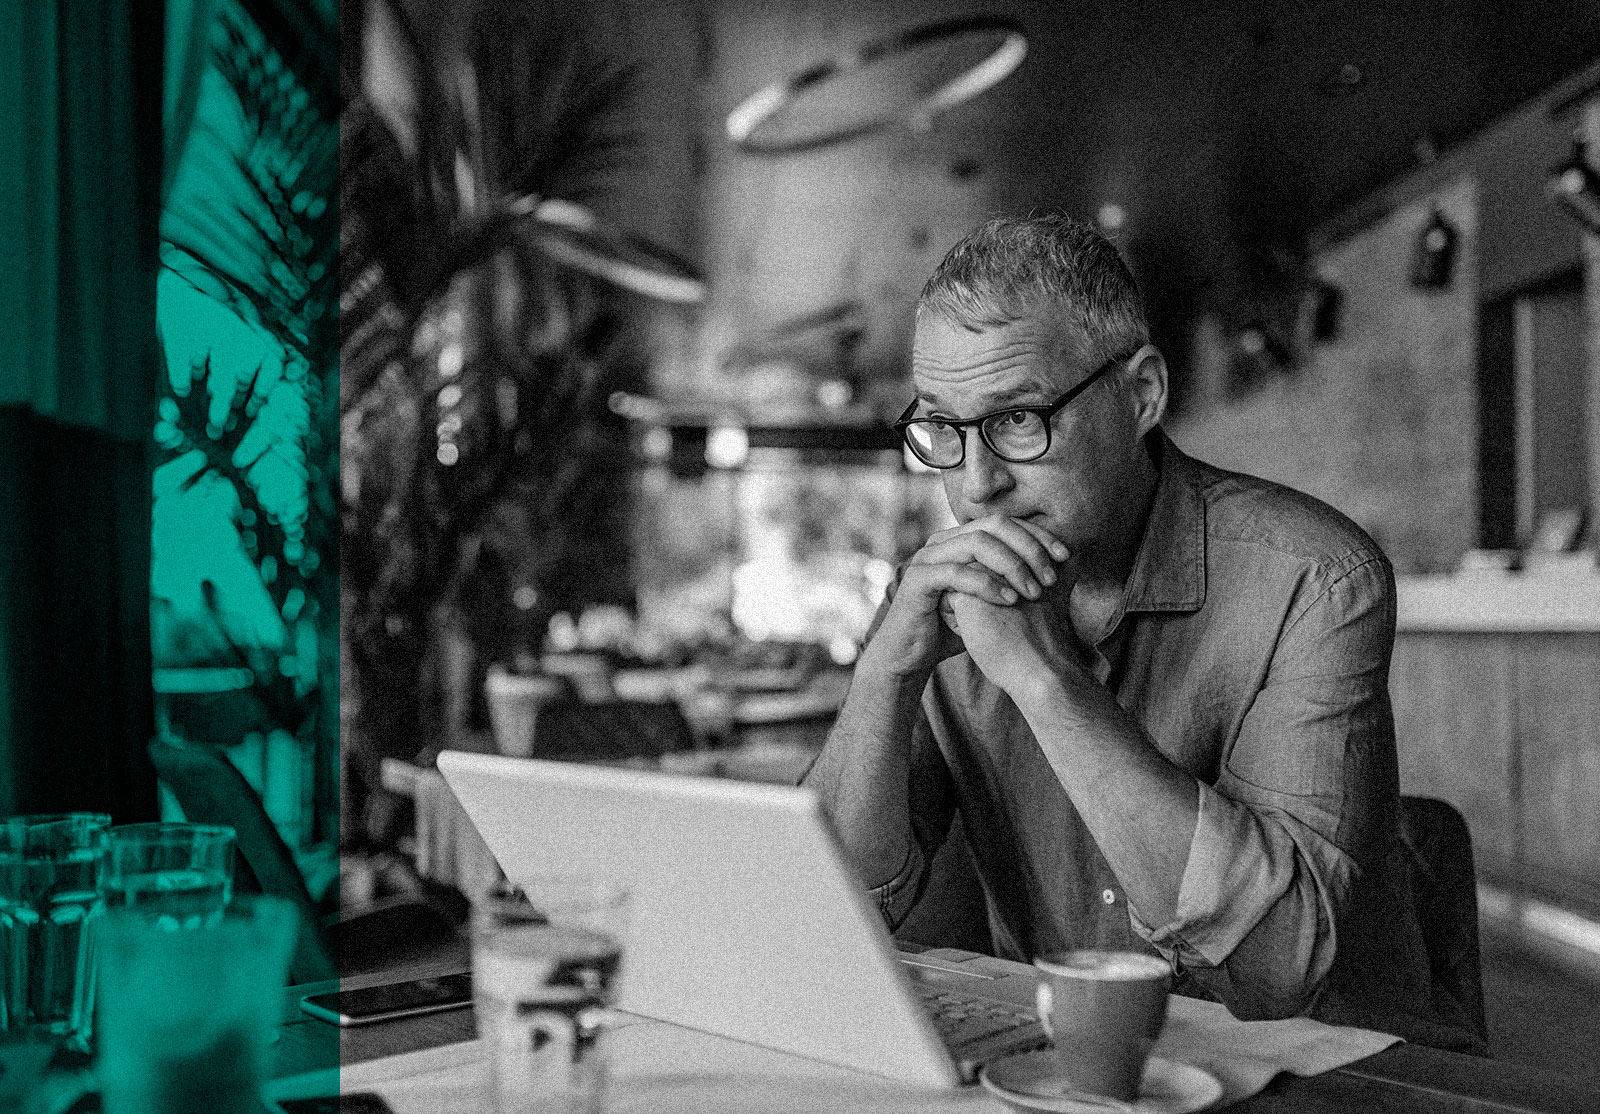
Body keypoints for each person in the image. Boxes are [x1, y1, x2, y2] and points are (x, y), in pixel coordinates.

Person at [805, 213, 1482, 1051]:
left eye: (1019, 418)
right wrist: (884, 676)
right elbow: (829, 916)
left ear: (1142, 395)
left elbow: (1280, 968)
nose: (977, 484)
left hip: (1334, 1077)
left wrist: (1047, 681)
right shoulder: (942, 597)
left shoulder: (1313, 578)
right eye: (944, 428)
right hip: (1080, 1070)